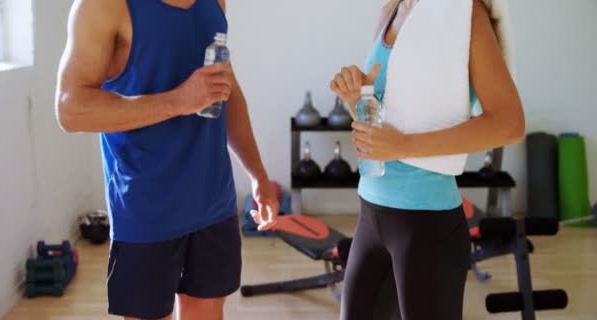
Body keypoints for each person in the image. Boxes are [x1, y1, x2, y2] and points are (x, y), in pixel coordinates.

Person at [55, 0, 278, 319]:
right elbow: (70, 110)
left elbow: (227, 88)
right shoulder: (104, 5)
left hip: (213, 201)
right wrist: (177, 101)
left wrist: (257, 174)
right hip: (146, 211)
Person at [330, 0, 525, 319]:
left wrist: (404, 145)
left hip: (426, 226)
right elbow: (387, 120)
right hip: (371, 214)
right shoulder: (391, 9)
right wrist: (357, 100)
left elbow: (509, 123)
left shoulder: (466, 14)